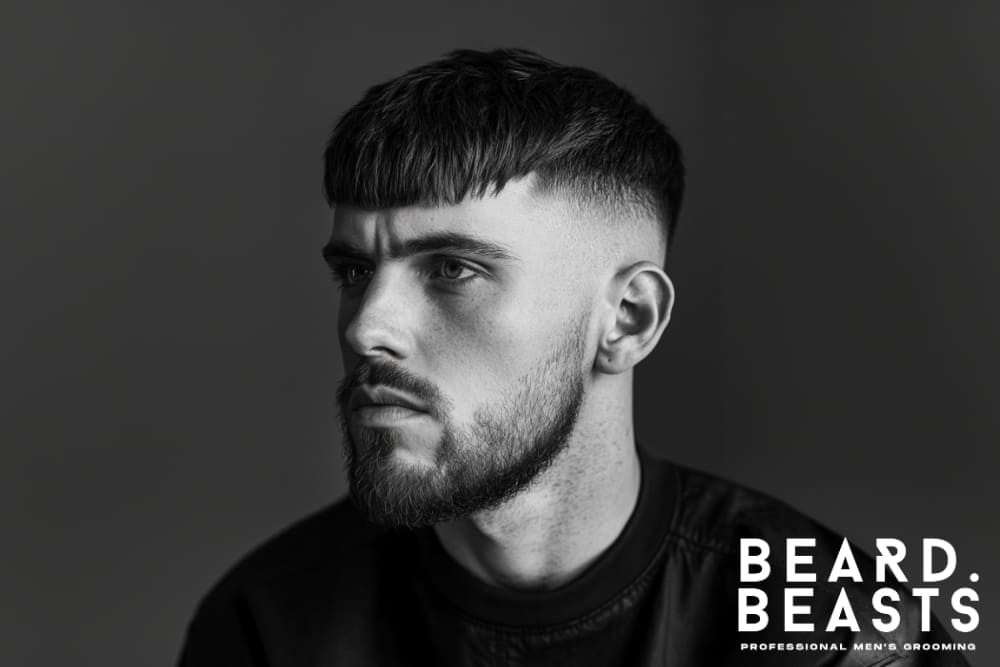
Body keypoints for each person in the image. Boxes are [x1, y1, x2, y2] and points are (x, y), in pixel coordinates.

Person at [178, 48, 970, 666]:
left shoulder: (840, 627)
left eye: (453, 269)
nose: (365, 328)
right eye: (354, 273)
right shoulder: (269, 622)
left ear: (626, 319)